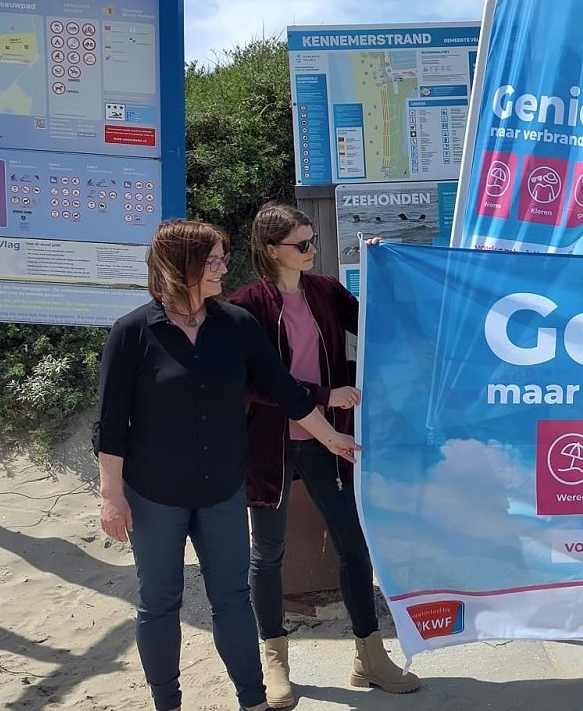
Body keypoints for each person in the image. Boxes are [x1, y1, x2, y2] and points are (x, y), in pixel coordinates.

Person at [96, 219, 361, 711]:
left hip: (221, 490)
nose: (222, 268)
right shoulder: (131, 333)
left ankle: (253, 701)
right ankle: (167, 703)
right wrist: (111, 495)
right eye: (213, 260)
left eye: (222, 258)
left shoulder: (235, 325)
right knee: (160, 601)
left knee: (232, 598)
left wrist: (331, 439)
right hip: (154, 494)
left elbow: (284, 390)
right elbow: (111, 426)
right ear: (182, 267)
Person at [230, 202, 420, 706]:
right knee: (267, 553)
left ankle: (370, 657)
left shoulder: (327, 291)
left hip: (327, 441)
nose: (313, 251)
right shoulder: (245, 305)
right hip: (270, 443)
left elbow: (378, 326)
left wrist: (386, 272)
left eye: (313, 241)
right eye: (303, 244)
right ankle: (275, 660)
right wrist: (321, 396)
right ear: (272, 251)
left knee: (353, 546)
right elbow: (248, 384)